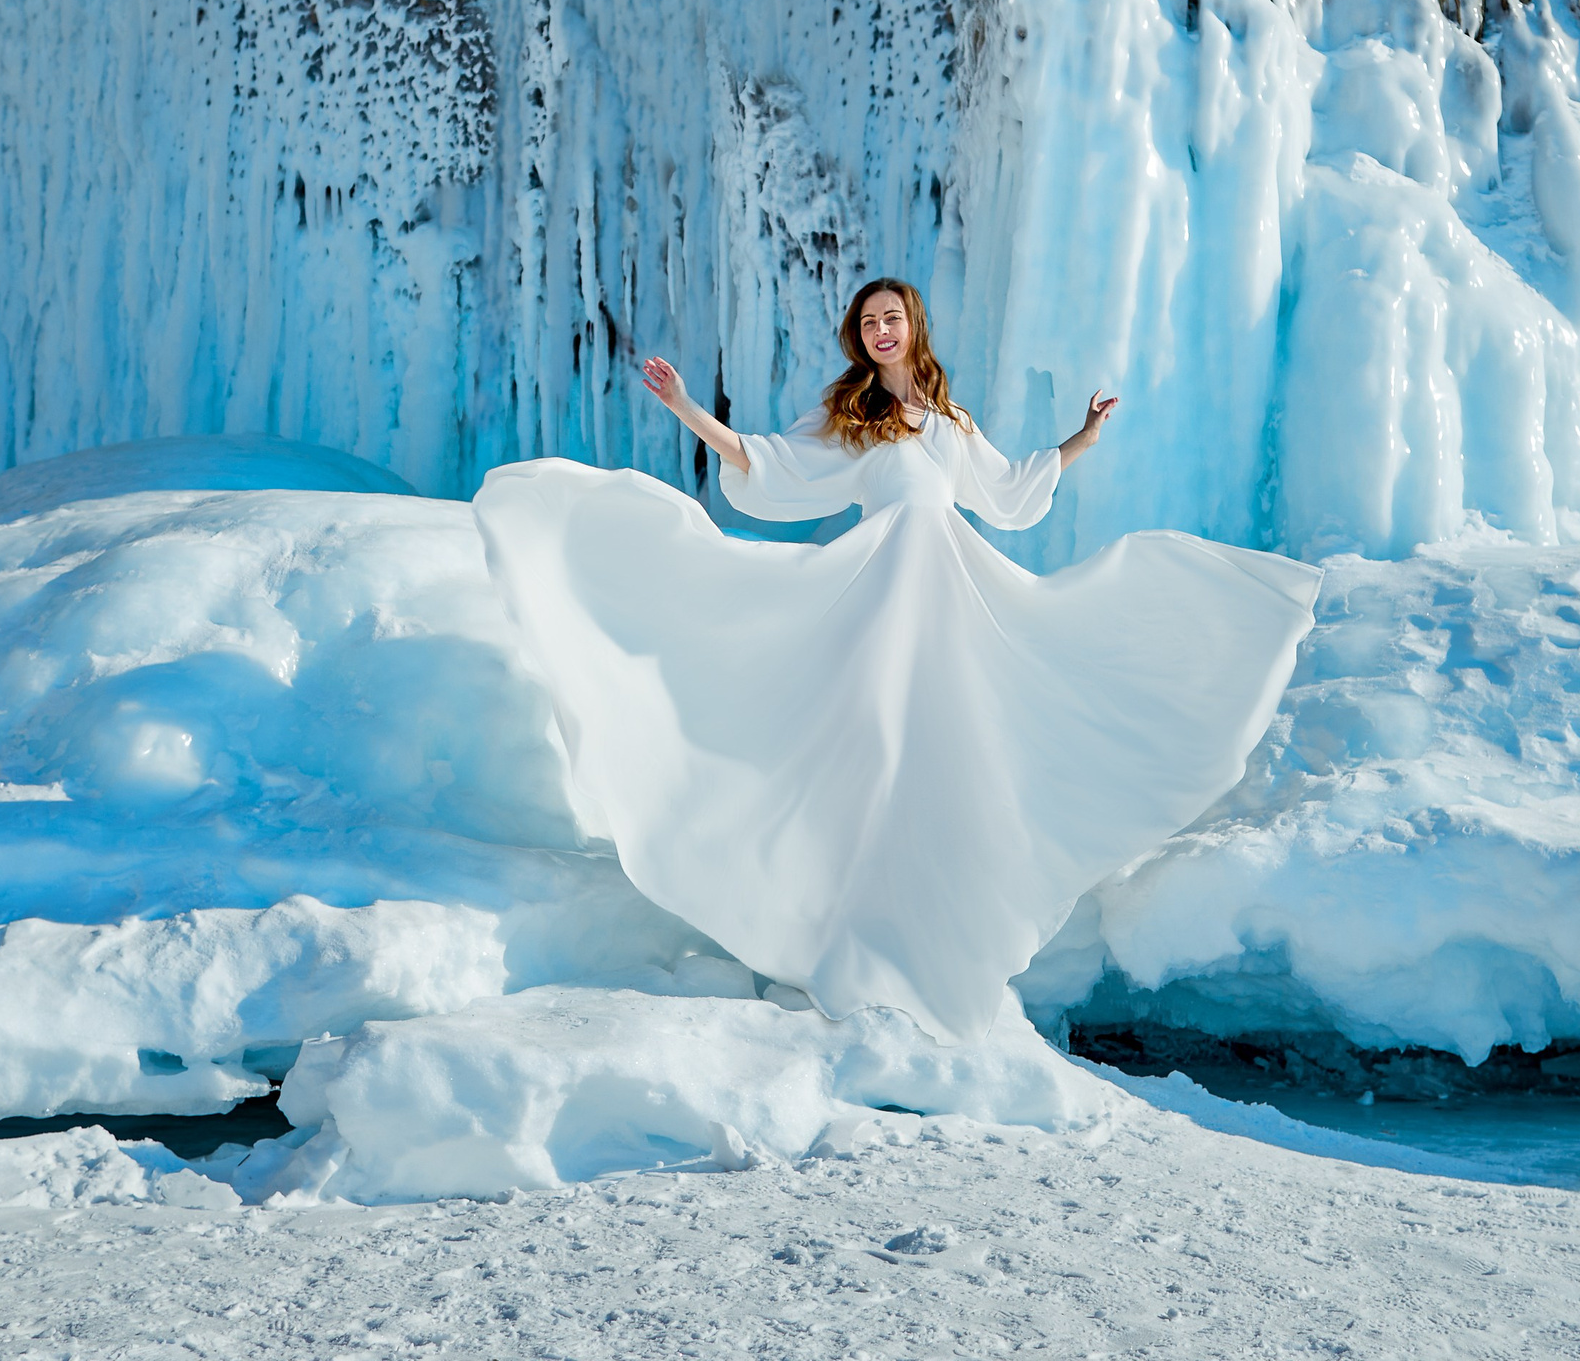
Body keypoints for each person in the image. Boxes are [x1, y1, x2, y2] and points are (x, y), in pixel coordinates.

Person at [473, 278, 1319, 1043]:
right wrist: (688, 408)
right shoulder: (849, 418)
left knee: (944, 765)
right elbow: (761, 463)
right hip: (874, 600)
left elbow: (1012, 489)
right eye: (869, 321)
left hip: (947, 601)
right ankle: (842, 944)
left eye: (893, 318)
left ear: (915, 326)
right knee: (865, 758)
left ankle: (926, 951)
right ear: (858, 335)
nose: (882, 330)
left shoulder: (950, 422)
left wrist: (1083, 438)